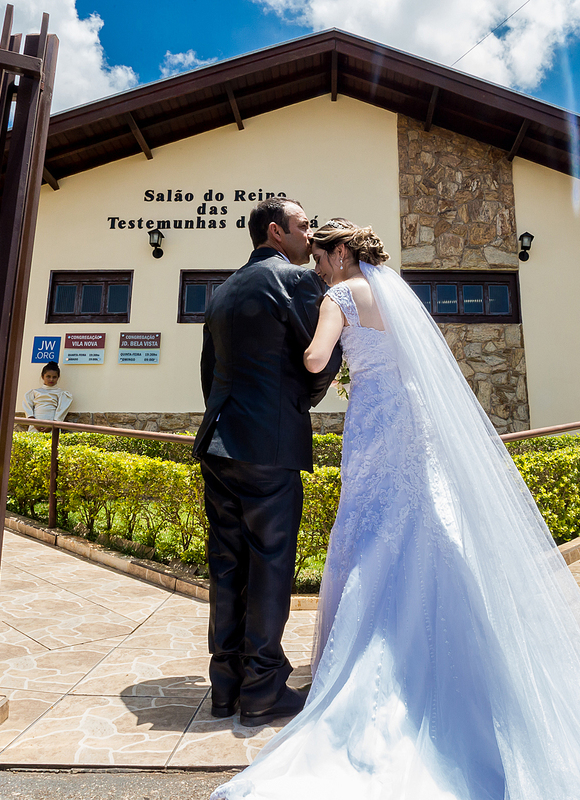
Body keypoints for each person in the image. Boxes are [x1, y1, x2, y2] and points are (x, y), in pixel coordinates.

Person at [210, 221, 580, 800]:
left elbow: (313, 360)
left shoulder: (339, 295)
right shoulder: (393, 293)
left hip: (376, 425)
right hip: (412, 421)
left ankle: (381, 658)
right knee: (424, 521)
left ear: (339, 253)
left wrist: (293, 354)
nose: (316, 269)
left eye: (320, 257)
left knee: (372, 528)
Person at [192, 197, 342, 727]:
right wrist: (295, 404)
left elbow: (210, 373)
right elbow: (322, 358)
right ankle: (262, 690)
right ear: (276, 232)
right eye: (304, 226)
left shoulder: (222, 290)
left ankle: (225, 686)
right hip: (267, 447)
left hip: (217, 443)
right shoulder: (298, 282)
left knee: (228, 566)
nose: (312, 233)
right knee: (271, 566)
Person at [24, 361, 73, 428]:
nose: (51, 379)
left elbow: (61, 412)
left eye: (54, 377)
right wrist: (34, 423)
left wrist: (52, 425)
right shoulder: (34, 392)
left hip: (52, 426)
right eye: (48, 376)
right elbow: (28, 408)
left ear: (58, 377)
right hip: (35, 426)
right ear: (42, 376)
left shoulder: (61, 394)